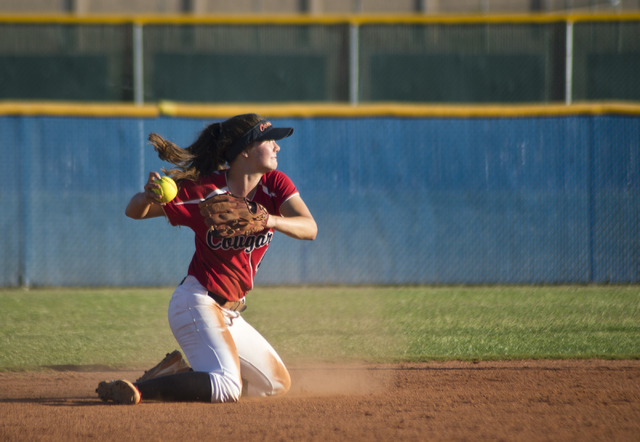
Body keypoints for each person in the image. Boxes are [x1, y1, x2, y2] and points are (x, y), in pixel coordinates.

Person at [96, 113, 317, 405]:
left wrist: (269, 220)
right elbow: (134, 210)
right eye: (269, 140)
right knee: (227, 386)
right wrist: (149, 196)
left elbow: (309, 228)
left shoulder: (274, 185)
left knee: (274, 384)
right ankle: (138, 391)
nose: (277, 147)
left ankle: (172, 373)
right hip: (197, 301)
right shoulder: (206, 192)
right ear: (245, 150)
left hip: (230, 313)